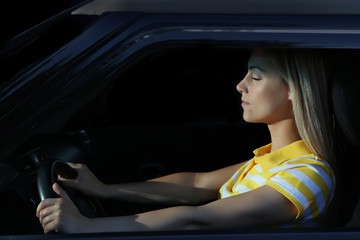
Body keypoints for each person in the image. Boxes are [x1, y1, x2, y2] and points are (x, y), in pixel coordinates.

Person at [36, 48, 336, 234]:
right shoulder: (271, 161)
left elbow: (198, 219)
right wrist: (104, 190)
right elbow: (194, 185)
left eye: (255, 77)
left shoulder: (306, 175)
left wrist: (87, 227)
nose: (240, 85)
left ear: (294, 90)